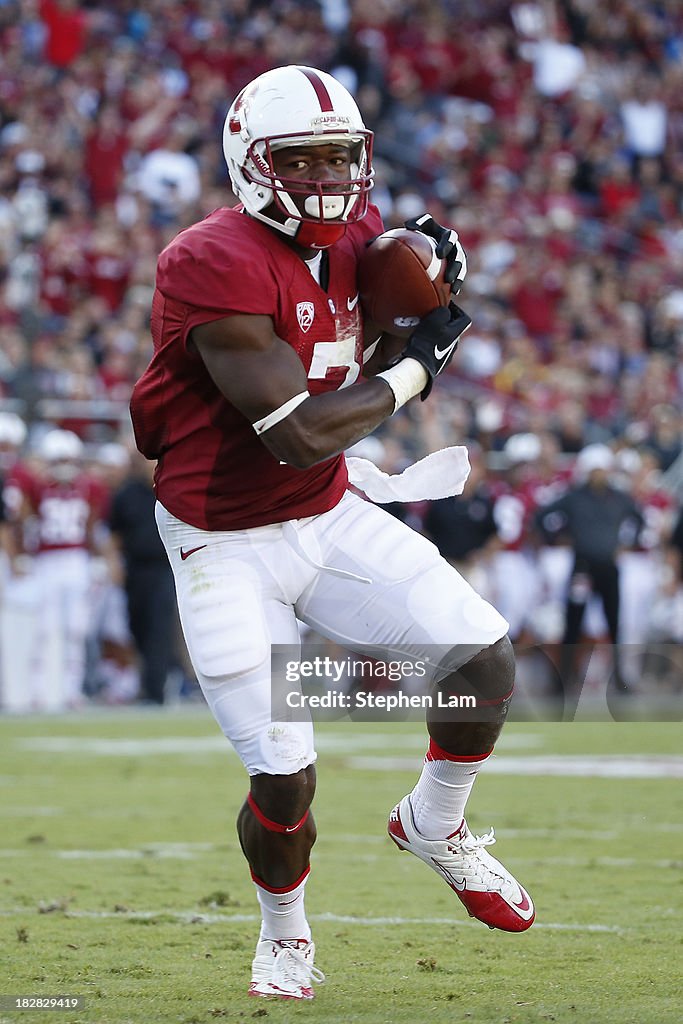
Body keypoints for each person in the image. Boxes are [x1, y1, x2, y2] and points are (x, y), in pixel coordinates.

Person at [130, 65, 534, 1001]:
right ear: (249, 162)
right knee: (286, 782)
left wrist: (414, 301)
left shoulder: (356, 232)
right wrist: (419, 369)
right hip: (221, 537)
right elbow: (296, 429)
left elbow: (358, 364)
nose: (326, 179)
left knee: (483, 660)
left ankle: (433, 824)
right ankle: (286, 932)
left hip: (324, 510)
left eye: (340, 158)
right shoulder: (207, 259)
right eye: (301, 159)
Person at [536, 443, 644, 713]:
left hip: (608, 567)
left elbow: (640, 520)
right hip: (582, 566)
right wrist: (557, 539)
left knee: (614, 625)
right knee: (573, 625)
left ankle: (620, 680)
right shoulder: (574, 497)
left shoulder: (619, 497)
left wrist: (628, 543)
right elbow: (542, 516)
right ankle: (563, 681)